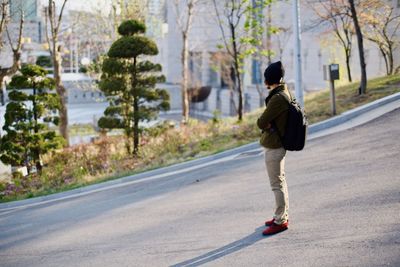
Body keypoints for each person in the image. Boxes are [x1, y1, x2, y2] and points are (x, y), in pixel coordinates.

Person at [257, 61, 291, 235]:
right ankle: (281, 214)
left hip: (275, 146)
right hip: (279, 144)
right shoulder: (283, 92)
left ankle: (281, 221)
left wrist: (267, 123)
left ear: (269, 79)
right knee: (280, 181)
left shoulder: (277, 98)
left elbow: (261, 122)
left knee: (276, 185)